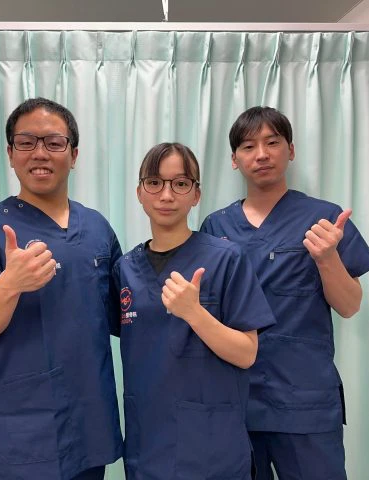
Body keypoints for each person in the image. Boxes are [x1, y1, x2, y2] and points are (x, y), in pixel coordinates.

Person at [0, 97, 123, 480]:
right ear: (10, 154)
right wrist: (10, 284)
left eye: (54, 143)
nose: (40, 153)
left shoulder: (97, 228)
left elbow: (123, 315)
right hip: (23, 428)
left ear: (74, 155)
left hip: (89, 421)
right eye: (26, 142)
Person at [200, 106, 369, 480]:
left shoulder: (324, 219)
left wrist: (327, 258)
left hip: (304, 403)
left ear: (291, 150)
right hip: (236, 403)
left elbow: (350, 306)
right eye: (248, 146)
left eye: (272, 142)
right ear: (234, 160)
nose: (261, 154)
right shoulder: (216, 226)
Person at [113, 142, 276, 479]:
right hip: (147, 443)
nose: (166, 195)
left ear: (196, 195)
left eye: (180, 184)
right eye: (154, 183)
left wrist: (194, 313)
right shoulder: (125, 269)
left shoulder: (226, 259)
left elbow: (247, 353)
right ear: (140, 193)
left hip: (212, 448)